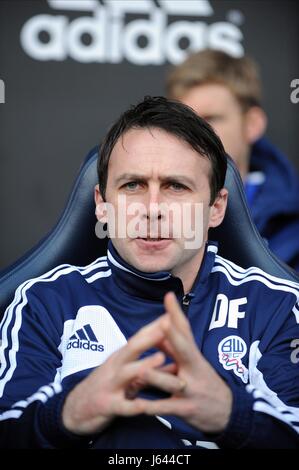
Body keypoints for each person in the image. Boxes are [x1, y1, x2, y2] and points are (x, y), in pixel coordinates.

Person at [0, 96, 299, 449]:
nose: (152, 209)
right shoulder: (44, 302)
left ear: (216, 208)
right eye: (132, 185)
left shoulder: (276, 307)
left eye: (176, 186)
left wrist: (232, 415)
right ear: (101, 205)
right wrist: (68, 415)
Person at [166, 49, 299, 272]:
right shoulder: (140, 213)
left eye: (211, 119)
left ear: (252, 124)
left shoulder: (291, 224)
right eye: (184, 121)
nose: (194, 133)